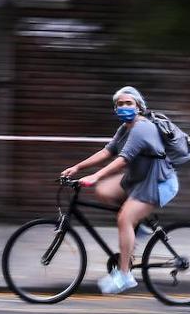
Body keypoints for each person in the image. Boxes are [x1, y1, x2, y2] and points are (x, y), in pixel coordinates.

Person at [60, 86, 180, 294]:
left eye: (129, 103)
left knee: (124, 218)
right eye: (120, 104)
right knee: (104, 190)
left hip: (159, 183)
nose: (124, 107)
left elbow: (123, 159)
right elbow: (107, 151)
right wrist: (78, 167)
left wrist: (95, 175)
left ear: (138, 107)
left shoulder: (142, 128)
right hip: (140, 180)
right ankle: (139, 225)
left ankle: (124, 276)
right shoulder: (125, 128)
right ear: (115, 109)